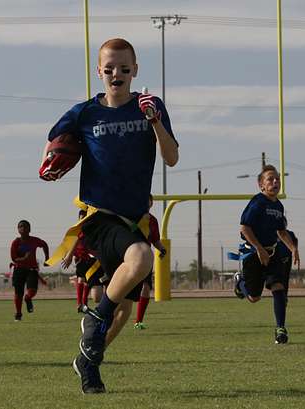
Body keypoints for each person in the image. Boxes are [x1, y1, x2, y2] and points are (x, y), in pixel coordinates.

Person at [44, 38, 178, 393]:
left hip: (134, 218)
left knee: (123, 312)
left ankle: (88, 363)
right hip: (100, 218)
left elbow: (172, 157)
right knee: (142, 257)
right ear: (98, 72)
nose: (116, 74)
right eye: (109, 68)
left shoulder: (150, 107)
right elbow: (54, 143)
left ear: (135, 70)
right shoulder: (85, 112)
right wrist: (54, 159)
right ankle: (96, 316)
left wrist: (154, 122)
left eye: (123, 68)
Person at [233, 165, 299, 344]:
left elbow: (281, 232)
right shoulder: (257, 202)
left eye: (277, 178)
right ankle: (240, 282)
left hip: (271, 253)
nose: (275, 181)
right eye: (270, 179)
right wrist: (260, 249)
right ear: (261, 185)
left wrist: (293, 248)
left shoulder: (278, 205)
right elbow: (245, 228)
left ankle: (281, 329)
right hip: (253, 254)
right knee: (254, 298)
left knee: (278, 288)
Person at [134, 194, 167, 330]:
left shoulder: (153, 220)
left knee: (146, 287)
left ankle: (138, 321)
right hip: (131, 255)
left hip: (145, 256)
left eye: (149, 200)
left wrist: (162, 249)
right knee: (125, 288)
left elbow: (155, 239)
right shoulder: (132, 216)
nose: (147, 203)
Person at [62, 210, 104, 311]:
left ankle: (86, 303)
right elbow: (69, 244)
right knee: (81, 280)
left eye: (84, 218)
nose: (82, 220)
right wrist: (69, 256)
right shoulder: (76, 231)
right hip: (81, 260)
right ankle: (80, 304)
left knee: (96, 296)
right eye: (81, 218)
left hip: (95, 262)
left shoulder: (95, 229)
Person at [10, 220, 49, 321]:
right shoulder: (16, 242)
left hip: (31, 269)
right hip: (19, 270)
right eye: (20, 227)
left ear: (29, 229)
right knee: (18, 293)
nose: (23, 228)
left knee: (32, 290)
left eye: (25, 226)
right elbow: (14, 258)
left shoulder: (34, 240)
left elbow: (44, 244)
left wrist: (47, 258)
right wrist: (24, 258)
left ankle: (28, 298)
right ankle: (18, 314)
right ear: (18, 229)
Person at [275, 218, 297, 303]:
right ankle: (279, 297)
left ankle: (284, 297)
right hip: (275, 260)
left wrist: (294, 252)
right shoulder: (273, 233)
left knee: (285, 279)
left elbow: (294, 245)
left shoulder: (290, 234)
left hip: (287, 259)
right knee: (277, 280)